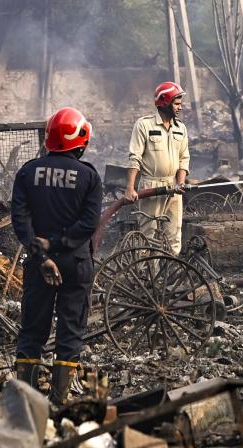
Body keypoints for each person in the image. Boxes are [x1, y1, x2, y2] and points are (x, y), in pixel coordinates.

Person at [11, 107, 102, 405]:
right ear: (81, 140)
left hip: (39, 264)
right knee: (70, 332)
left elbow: (20, 221)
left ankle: (26, 404)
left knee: (32, 331)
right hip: (76, 264)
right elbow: (88, 224)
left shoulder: (27, 172)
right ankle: (59, 403)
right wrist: (56, 243)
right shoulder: (89, 176)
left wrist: (41, 255)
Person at [124, 81, 190, 254]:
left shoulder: (181, 128)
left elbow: (184, 158)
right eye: (177, 103)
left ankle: (169, 269)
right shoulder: (144, 125)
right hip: (151, 186)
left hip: (174, 187)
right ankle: (146, 270)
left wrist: (181, 183)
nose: (180, 107)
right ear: (165, 102)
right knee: (148, 236)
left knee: (174, 237)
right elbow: (135, 158)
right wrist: (130, 188)